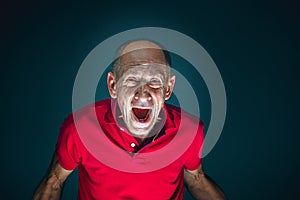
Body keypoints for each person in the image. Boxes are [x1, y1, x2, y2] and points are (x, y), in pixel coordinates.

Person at [33, 40, 226, 200]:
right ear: (113, 85)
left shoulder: (189, 130)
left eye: (155, 81)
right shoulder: (80, 127)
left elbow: (196, 178)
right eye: (132, 80)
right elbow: (54, 181)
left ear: (168, 88)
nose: (143, 95)